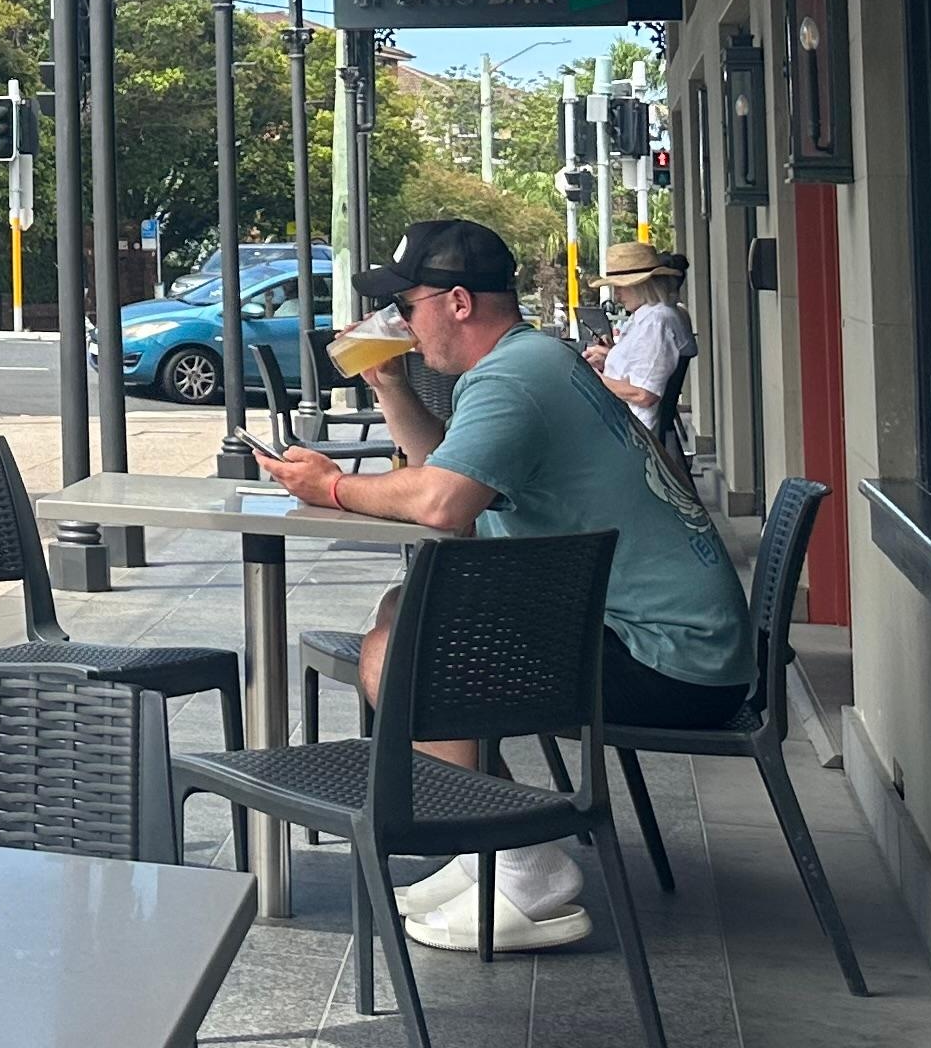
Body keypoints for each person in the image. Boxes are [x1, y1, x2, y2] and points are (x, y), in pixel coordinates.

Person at [262, 215, 751, 956]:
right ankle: (482, 855)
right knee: (406, 609)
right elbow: (455, 474)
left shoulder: (514, 378)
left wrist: (331, 488)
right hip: (684, 642)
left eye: (409, 305)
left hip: (671, 663)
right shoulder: (531, 361)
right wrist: (391, 383)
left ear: (458, 302)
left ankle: (521, 865)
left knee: (404, 654)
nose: (401, 322)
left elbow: (441, 504)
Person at [590, 240, 694, 428]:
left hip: (627, 428)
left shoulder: (656, 322)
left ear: (643, 285)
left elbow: (644, 394)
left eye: (621, 287)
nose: (616, 295)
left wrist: (592, 378)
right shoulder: (650, 316)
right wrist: (608, 356)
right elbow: (642, 364)